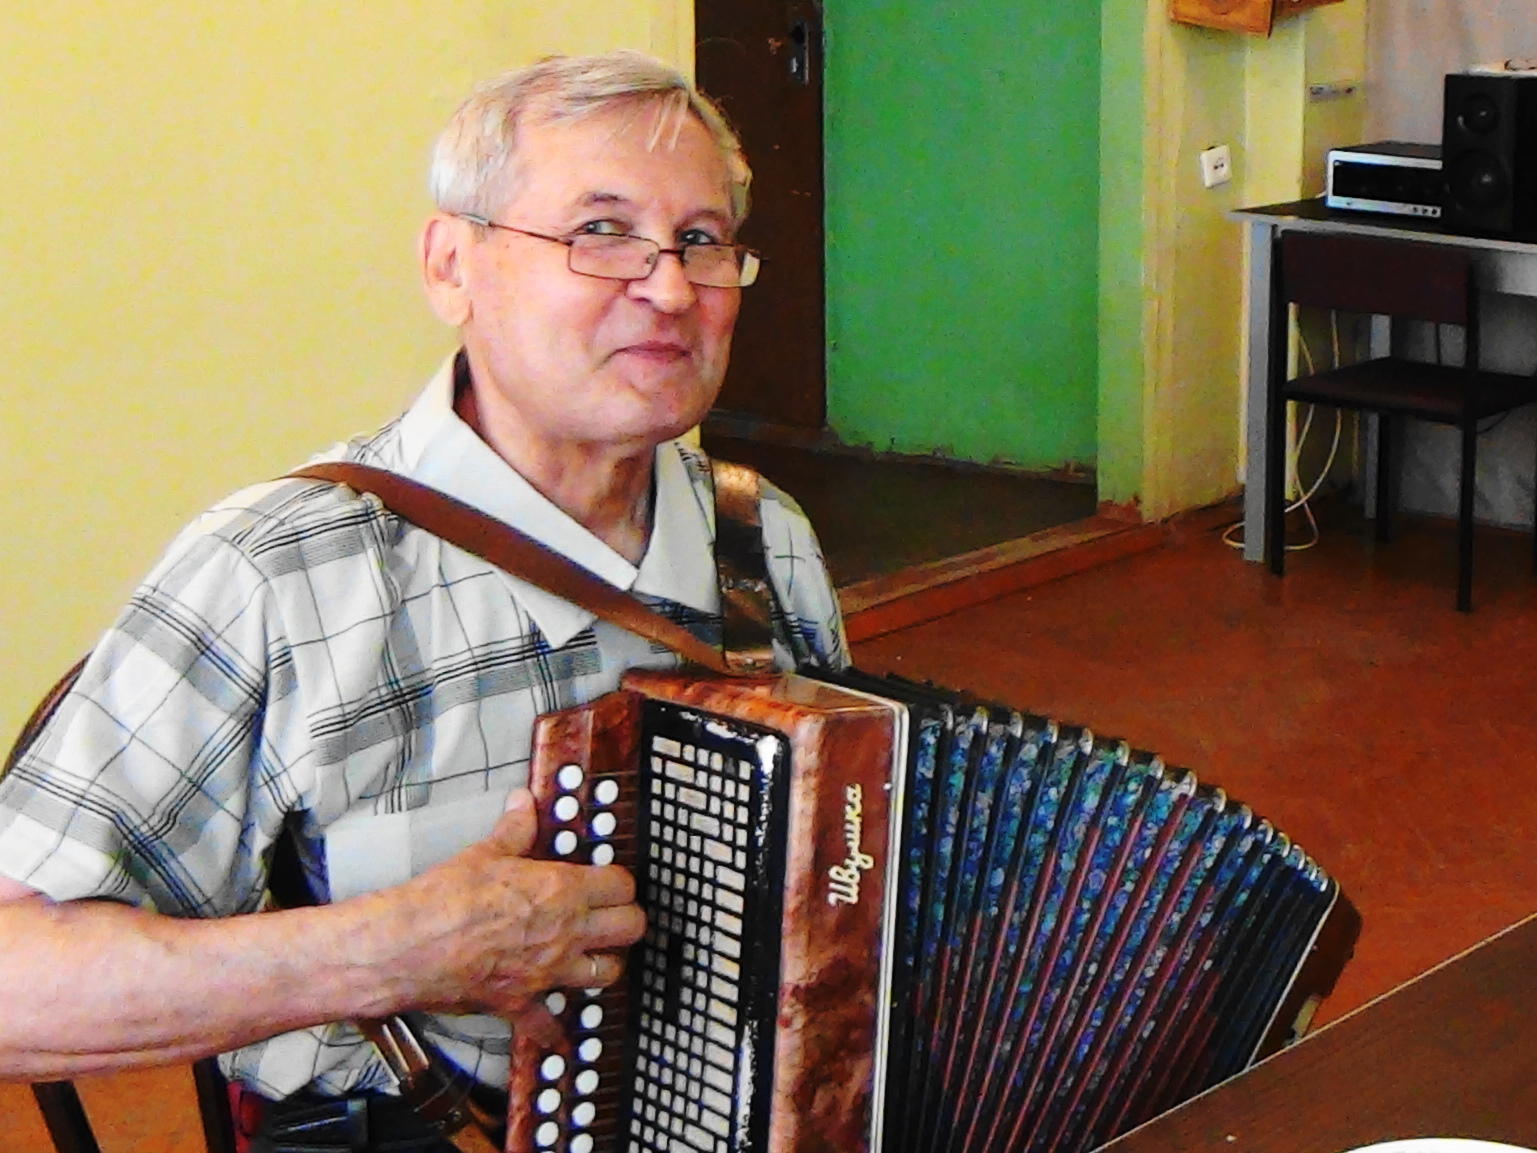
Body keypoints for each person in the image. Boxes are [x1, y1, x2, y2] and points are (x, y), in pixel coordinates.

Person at [0, 50, 846, 1150]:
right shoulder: (278, 571)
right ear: (452, 267)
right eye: (599, 232)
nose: (671, 287)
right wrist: (399, 950)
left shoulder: (763, 538)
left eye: (700, 240)